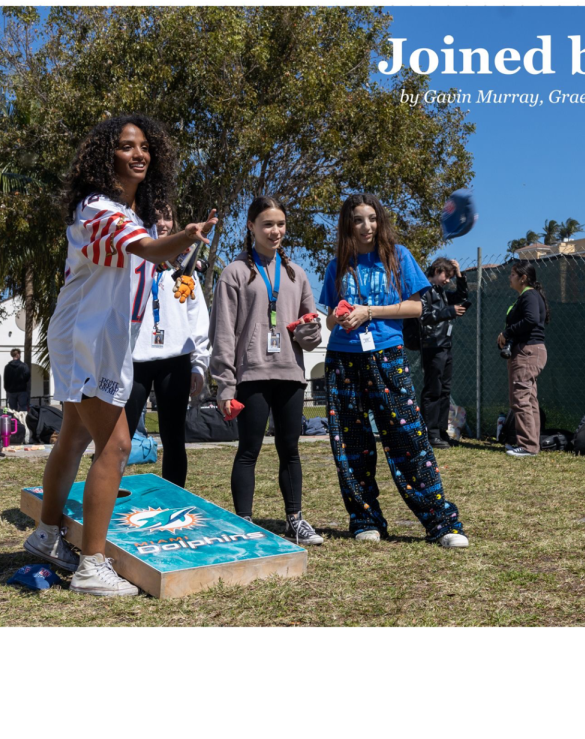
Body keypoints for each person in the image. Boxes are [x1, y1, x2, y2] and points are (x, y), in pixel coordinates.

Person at [23, 114, 217, 597]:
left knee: (72, 437)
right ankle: (91, 567)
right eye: (128, 146)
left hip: (98, 339)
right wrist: (186, 237)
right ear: (104, 155)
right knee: (116, 446)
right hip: (88, 340)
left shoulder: (127, 213)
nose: (140, 154)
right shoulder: (100, 209)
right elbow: (149, 250)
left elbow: (148, 255)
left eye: (146, 147)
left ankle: (48, 536)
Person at [319, 193, 468, 548]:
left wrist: (369, 312)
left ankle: (441, 524)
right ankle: (365, 519)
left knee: (409, 441)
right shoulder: (337, 263)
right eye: (358, 219)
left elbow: (416, 307)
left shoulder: (398, 256)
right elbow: (329, 317)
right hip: (342, 357)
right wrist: (338, 316)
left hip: (386, 356)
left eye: (372, 218)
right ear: (348, 224)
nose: (366, 226)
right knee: (351, 445)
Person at [209, 195, 324, 546]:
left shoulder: (296, 273)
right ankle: (243, 521)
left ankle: (295, 520)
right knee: (249, 449)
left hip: (289, 373)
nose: (275, 231)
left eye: (280, 224)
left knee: (290, 448)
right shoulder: (234, 273)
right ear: (251, 227)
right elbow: (224, 334)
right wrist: (225, 385)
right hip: (251, 375)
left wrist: (309, 328)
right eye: (268, 224)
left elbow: (309, 329)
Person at [122, 206, 212, 489]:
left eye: (167, 218)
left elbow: (197, 317)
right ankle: (108, 500)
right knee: (119, 439)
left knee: (174, 438)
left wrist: (199, 363)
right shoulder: (132, 260)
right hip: (134, 360)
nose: (162, 224)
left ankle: (174, 500)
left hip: (175, 359)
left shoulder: (186, 267)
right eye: (155, 217)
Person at [498, 259, 550, 457]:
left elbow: (531, 320)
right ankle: (531, 444)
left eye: (512, 274)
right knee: (528, 398)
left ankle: (528, 446)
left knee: (520, 398)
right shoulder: (527, 296)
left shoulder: (529, 296)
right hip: (529, 351)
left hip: (527, 352)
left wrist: (507, 332)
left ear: (523, 278)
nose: (509, 278)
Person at [418, 257, 468, 448]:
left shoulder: (441, 292)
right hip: (432, 345)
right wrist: (449, 312)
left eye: (450, 277)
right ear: (437, 270)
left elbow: (462, 296)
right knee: (433, 390)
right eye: (446, 275)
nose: (448, 280)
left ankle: (441, 432)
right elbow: (423, 316)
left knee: (445, 390)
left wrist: (460, 274)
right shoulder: (424, 290)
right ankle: (430, 434)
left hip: (445, 344)